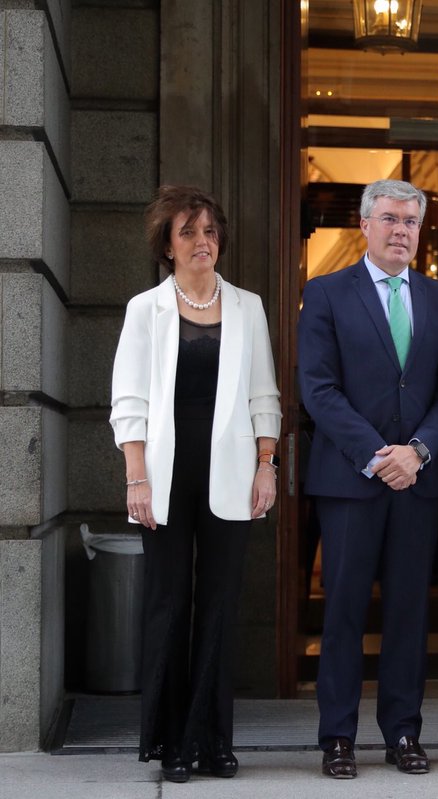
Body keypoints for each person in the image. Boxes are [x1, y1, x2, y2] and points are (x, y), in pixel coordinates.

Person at [297, 179, 438, 779]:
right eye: (390, 219)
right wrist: (376, 453)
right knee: (342, 611)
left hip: (419, 481)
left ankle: (402, 733)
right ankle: (338, 737)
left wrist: (416, 452)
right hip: (349, 480)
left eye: (411, 222)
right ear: (364, 225)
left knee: (408, 613)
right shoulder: (324, 294)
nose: (401, 231)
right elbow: (317, 388)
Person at [111, 185, 281, 783]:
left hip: (231, 477)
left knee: (219, 607)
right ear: (167, 244)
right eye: (188, 232)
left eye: (210, 231)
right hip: (162, 478)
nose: (202, 241)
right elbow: (128, 401)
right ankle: (171, 743)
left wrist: (267, 465)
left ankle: (213, 740)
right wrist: (136, 478)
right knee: (167, 605)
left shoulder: (247, 306)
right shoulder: (145, 310)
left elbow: (265, 393)